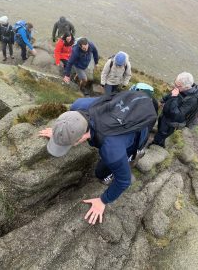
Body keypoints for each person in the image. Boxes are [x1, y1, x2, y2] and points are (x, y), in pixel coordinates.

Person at [39, 90, 157, 225]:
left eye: (69, 144)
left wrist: (103, 200)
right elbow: (70, 123)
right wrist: (58, 135)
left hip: (138, 131)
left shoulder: (112, 150)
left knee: (101, 173)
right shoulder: (79, 105)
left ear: (81, 137)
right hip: (133, 105)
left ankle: (133, 157)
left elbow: (123, 181)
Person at [152, 72, 198, 148]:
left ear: (187, 87)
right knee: (160, 129)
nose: (175, 87)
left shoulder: (193, 100)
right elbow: (169, 96)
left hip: (171, 123)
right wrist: (162, 100)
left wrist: (174, 97)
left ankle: (156, 146)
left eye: (177, 86)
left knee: (162, 134)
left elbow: (177, 115)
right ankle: (159, 140)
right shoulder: (180, 88)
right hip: (165, 116)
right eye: (175, 83)